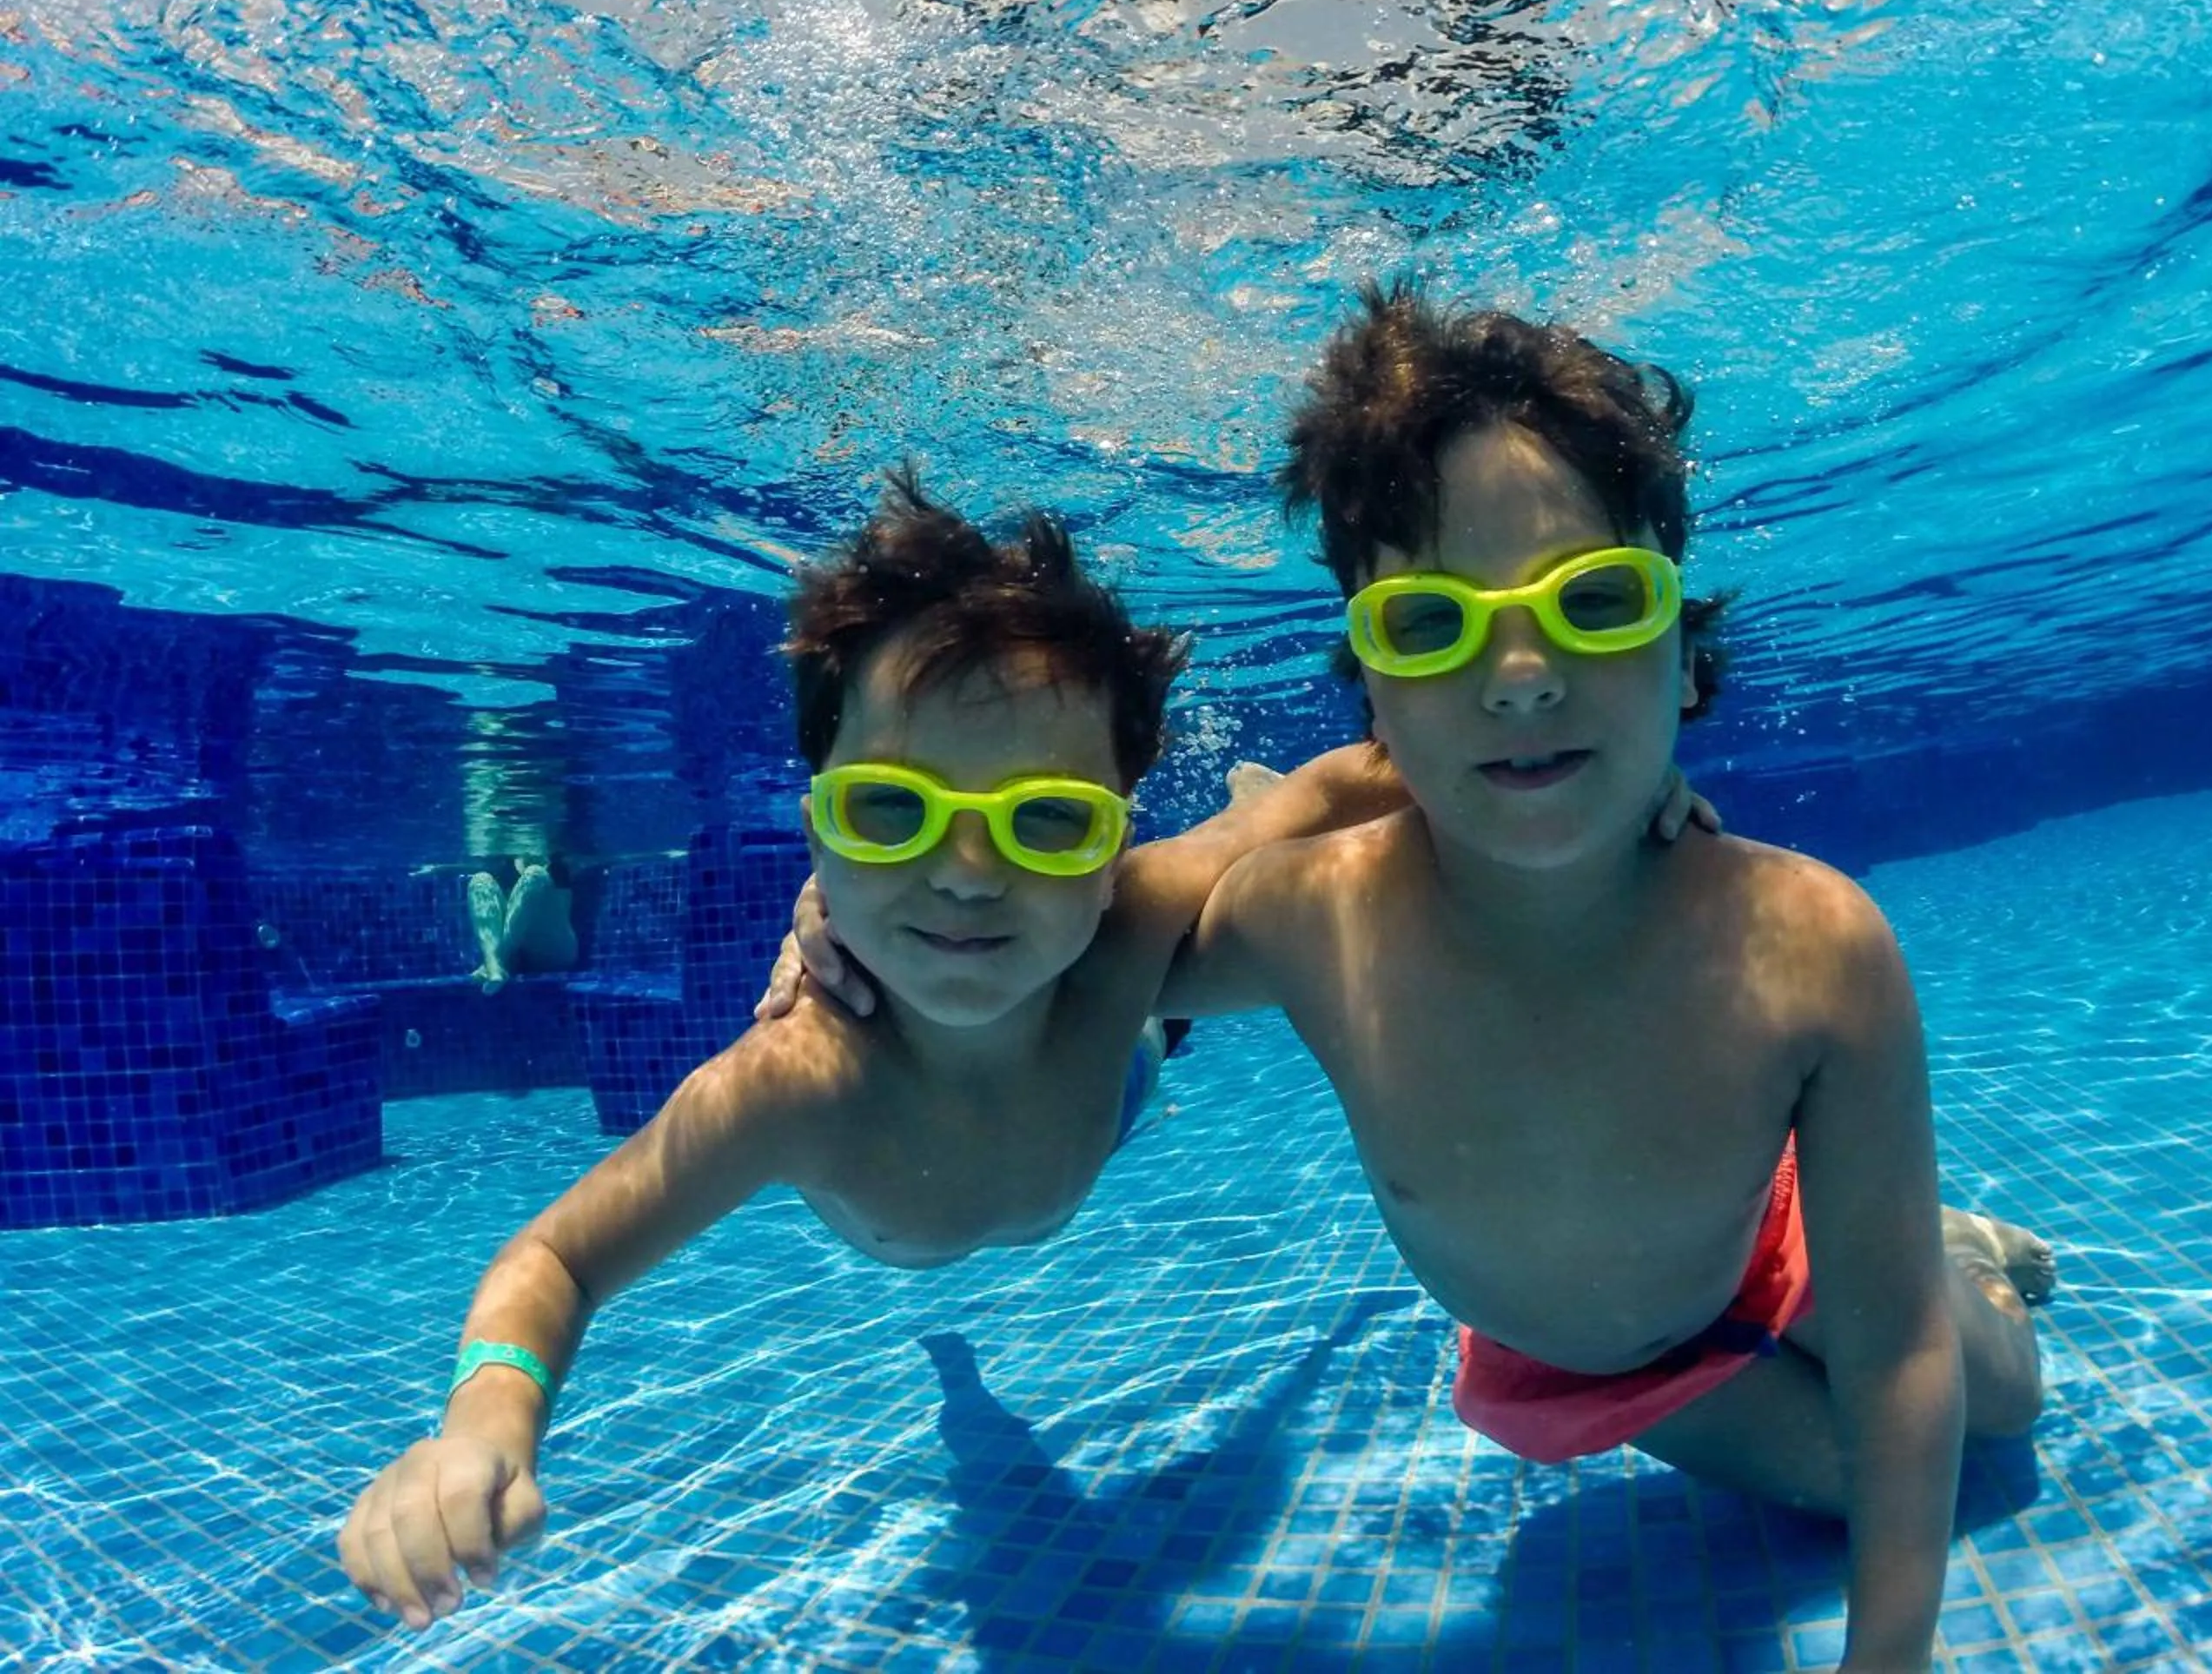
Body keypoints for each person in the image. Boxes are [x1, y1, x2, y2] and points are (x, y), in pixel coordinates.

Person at [335, 473, 1425, 1633]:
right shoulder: (795, 1084)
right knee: (977, 1429)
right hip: (1075, 1075)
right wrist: (482, 1430)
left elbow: (1327, 788)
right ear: (820, 830)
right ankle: (965, 1372)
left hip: (1113, 1067)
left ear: (1116, 843)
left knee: (1176, 1008)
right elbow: (555, 1259)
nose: (965, 871)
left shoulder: (1130, 917)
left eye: (1049, 818)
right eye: (891, 812)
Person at [1163, 287, 2054, 1668]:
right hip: (1594, 1366)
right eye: (1431, 625)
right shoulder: (1306, 919)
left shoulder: (1810, 939)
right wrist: (842, 921)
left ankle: (1949, 1241)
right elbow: (1059, 964)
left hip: (1775, 1244)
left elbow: (1895, 1359)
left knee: (2000, 1407)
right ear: (1371, 687)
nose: (1521, 677)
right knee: (1855, 1489)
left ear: (1683, 648)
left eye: (1594, 602)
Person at [467, 855, 579, 986]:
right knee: (480, 880)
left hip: (553, 951)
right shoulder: (504, 860)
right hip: (515, 954)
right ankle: (493, 964)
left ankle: (496, 963)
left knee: (535, 874)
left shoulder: (557, 860)